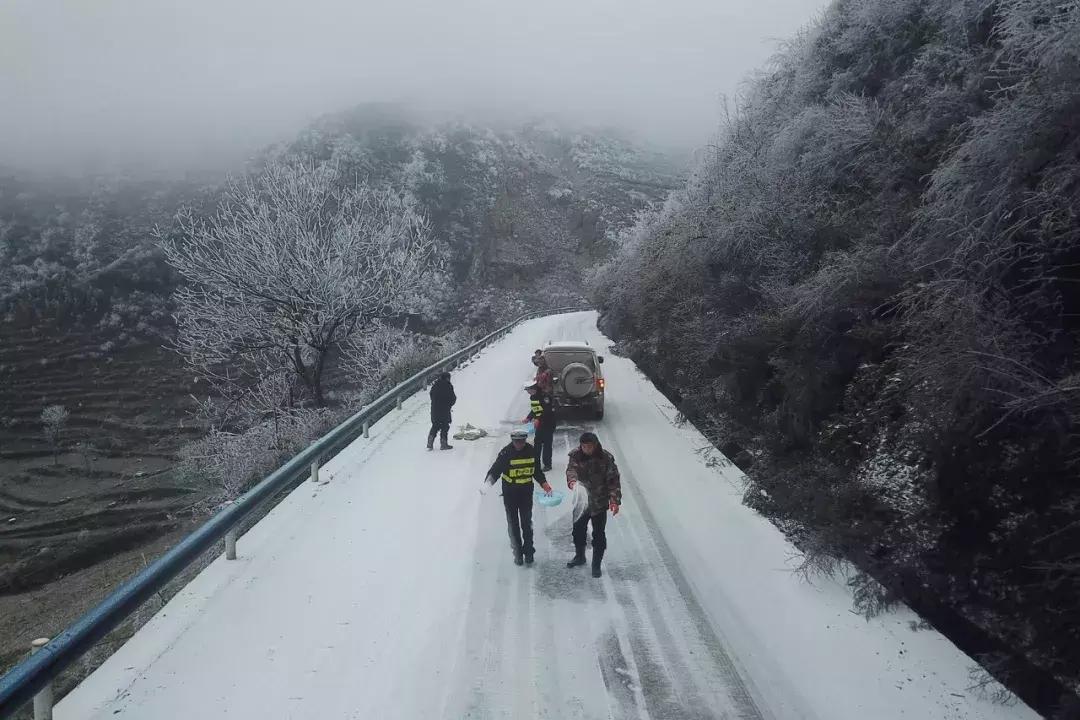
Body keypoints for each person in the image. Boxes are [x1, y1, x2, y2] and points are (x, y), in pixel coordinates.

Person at [484, 429, 553, 566]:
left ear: (525, 440)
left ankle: (529, 553)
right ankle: (518, 554)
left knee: (526, 523)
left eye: (521, 441)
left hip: (526, 492)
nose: (519, 444)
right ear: (512, 441)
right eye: (516, 441)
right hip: (510, 494)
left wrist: (544, 484)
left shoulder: (532, 451)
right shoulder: (506, 453)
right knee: (513, 524)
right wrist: (487, 484)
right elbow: (495, 470)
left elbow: (537, 471)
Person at [566, 431, 621, 578]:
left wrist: (614, 500)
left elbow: (613, 481)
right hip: (581, 502)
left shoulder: (606, 458)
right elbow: (571, 470)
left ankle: (596, 564)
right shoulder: (575, 455)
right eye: (584, 446)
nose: (586, 449)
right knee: (578, 531)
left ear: (595, 445)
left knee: (599, 535)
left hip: (599, 503)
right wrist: (572, 481)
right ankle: (580, 556)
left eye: (589, 446)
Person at [523, 381, 556, 471]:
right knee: (537, 443)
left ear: (533, 389)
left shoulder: (544, 396)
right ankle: (535, 463)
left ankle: (547, 464)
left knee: (547, 444)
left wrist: (538, 419)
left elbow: (547, 410)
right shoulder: (533, 397)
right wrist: (528, 418)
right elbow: (535, 409)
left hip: (548, 423)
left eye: (528, 390)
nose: (528, 392)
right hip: (540, 424)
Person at [427, 372, 456, 451]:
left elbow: (431, 395)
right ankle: (443, 444)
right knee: (445, 426)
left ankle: (430, 442)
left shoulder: (435, 385)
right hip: (444, 410)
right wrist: (449, 405)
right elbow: (453, 398)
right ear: (447, 378)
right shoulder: (448, 386)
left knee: (435, 425)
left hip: (434, 410)